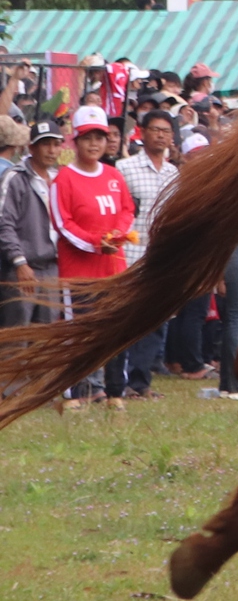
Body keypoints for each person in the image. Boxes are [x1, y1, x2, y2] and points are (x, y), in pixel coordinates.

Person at [52, 104, 137, 407]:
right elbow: (63, 224)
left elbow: (127, 210)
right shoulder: (64, 178)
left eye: (100, 137)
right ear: (75, 141)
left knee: (117, 330)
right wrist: (97, 243)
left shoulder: (113, 175)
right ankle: (74, 392)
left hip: (114, 268)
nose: (94, 144)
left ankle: (115, 391)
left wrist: (120, 234)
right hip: (79, 272)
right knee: (79, 334)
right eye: (88, 137)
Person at [114, 107, 182, 395]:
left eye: (166, 131)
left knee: (154, 322)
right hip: (129, 254)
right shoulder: (124, 168)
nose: (161, 135)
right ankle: (119, 381)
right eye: (155, 129)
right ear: (142, 133)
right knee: (125, 320)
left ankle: (141, 382)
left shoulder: (173, 173)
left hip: (160, 257)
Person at [0, 122, 62, 330]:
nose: (52, 150)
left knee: (44, 339)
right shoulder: (15, 178)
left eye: (56, 144)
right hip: (22, 269)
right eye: (45, 144)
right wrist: (19, 262)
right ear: (31, 147)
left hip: (52, 268)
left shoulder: (59, 179)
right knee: (16, 338)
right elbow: (4, 222)